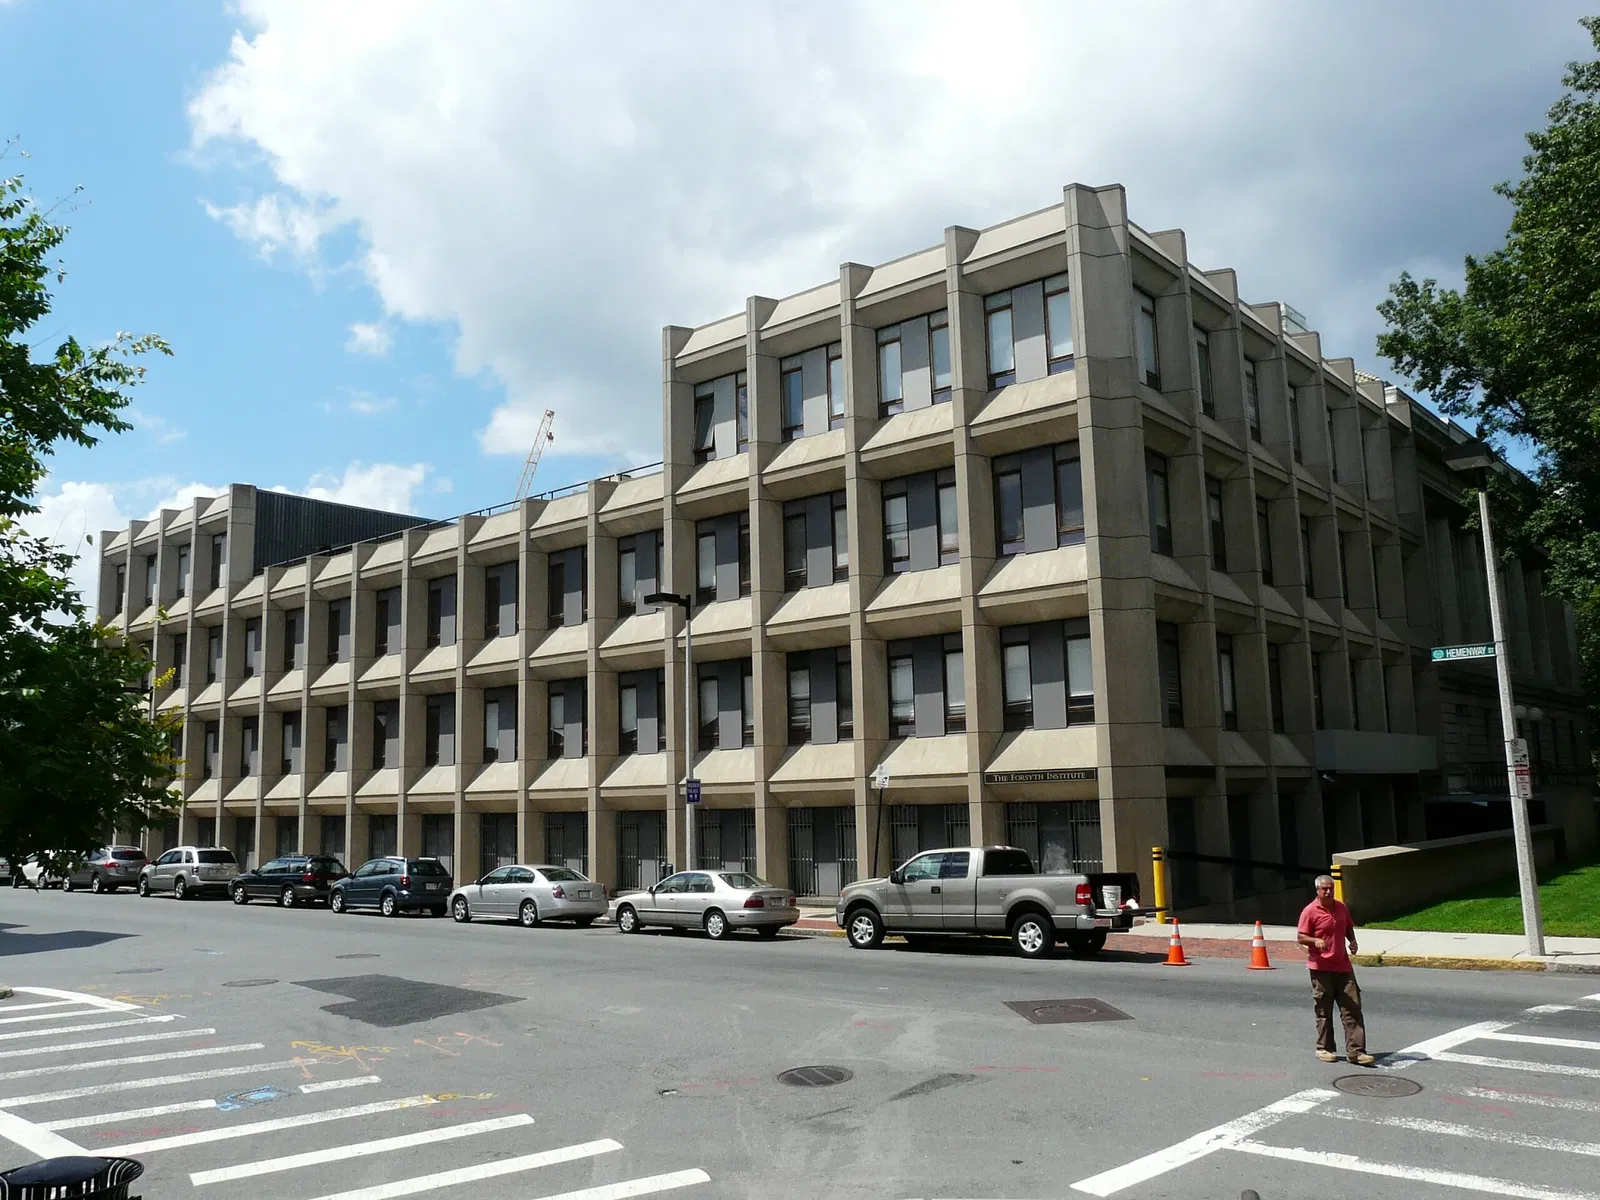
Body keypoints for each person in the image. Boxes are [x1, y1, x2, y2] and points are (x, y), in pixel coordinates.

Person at [1297, 874, 1374, 1066]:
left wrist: (1352, 941)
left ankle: (1356, 1052)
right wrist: (1314, 940)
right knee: (1324, 1010)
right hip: (1321, 968)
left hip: (1343, 966)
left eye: (1331, 888)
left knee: (1352, 1008)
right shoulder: (1310, 911)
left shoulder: (1341, 907)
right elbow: (1301, 936)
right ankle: (1324, 1048)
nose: (1329, 891)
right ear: (1318, 890)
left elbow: (1347, 926)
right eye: (1325, 888)